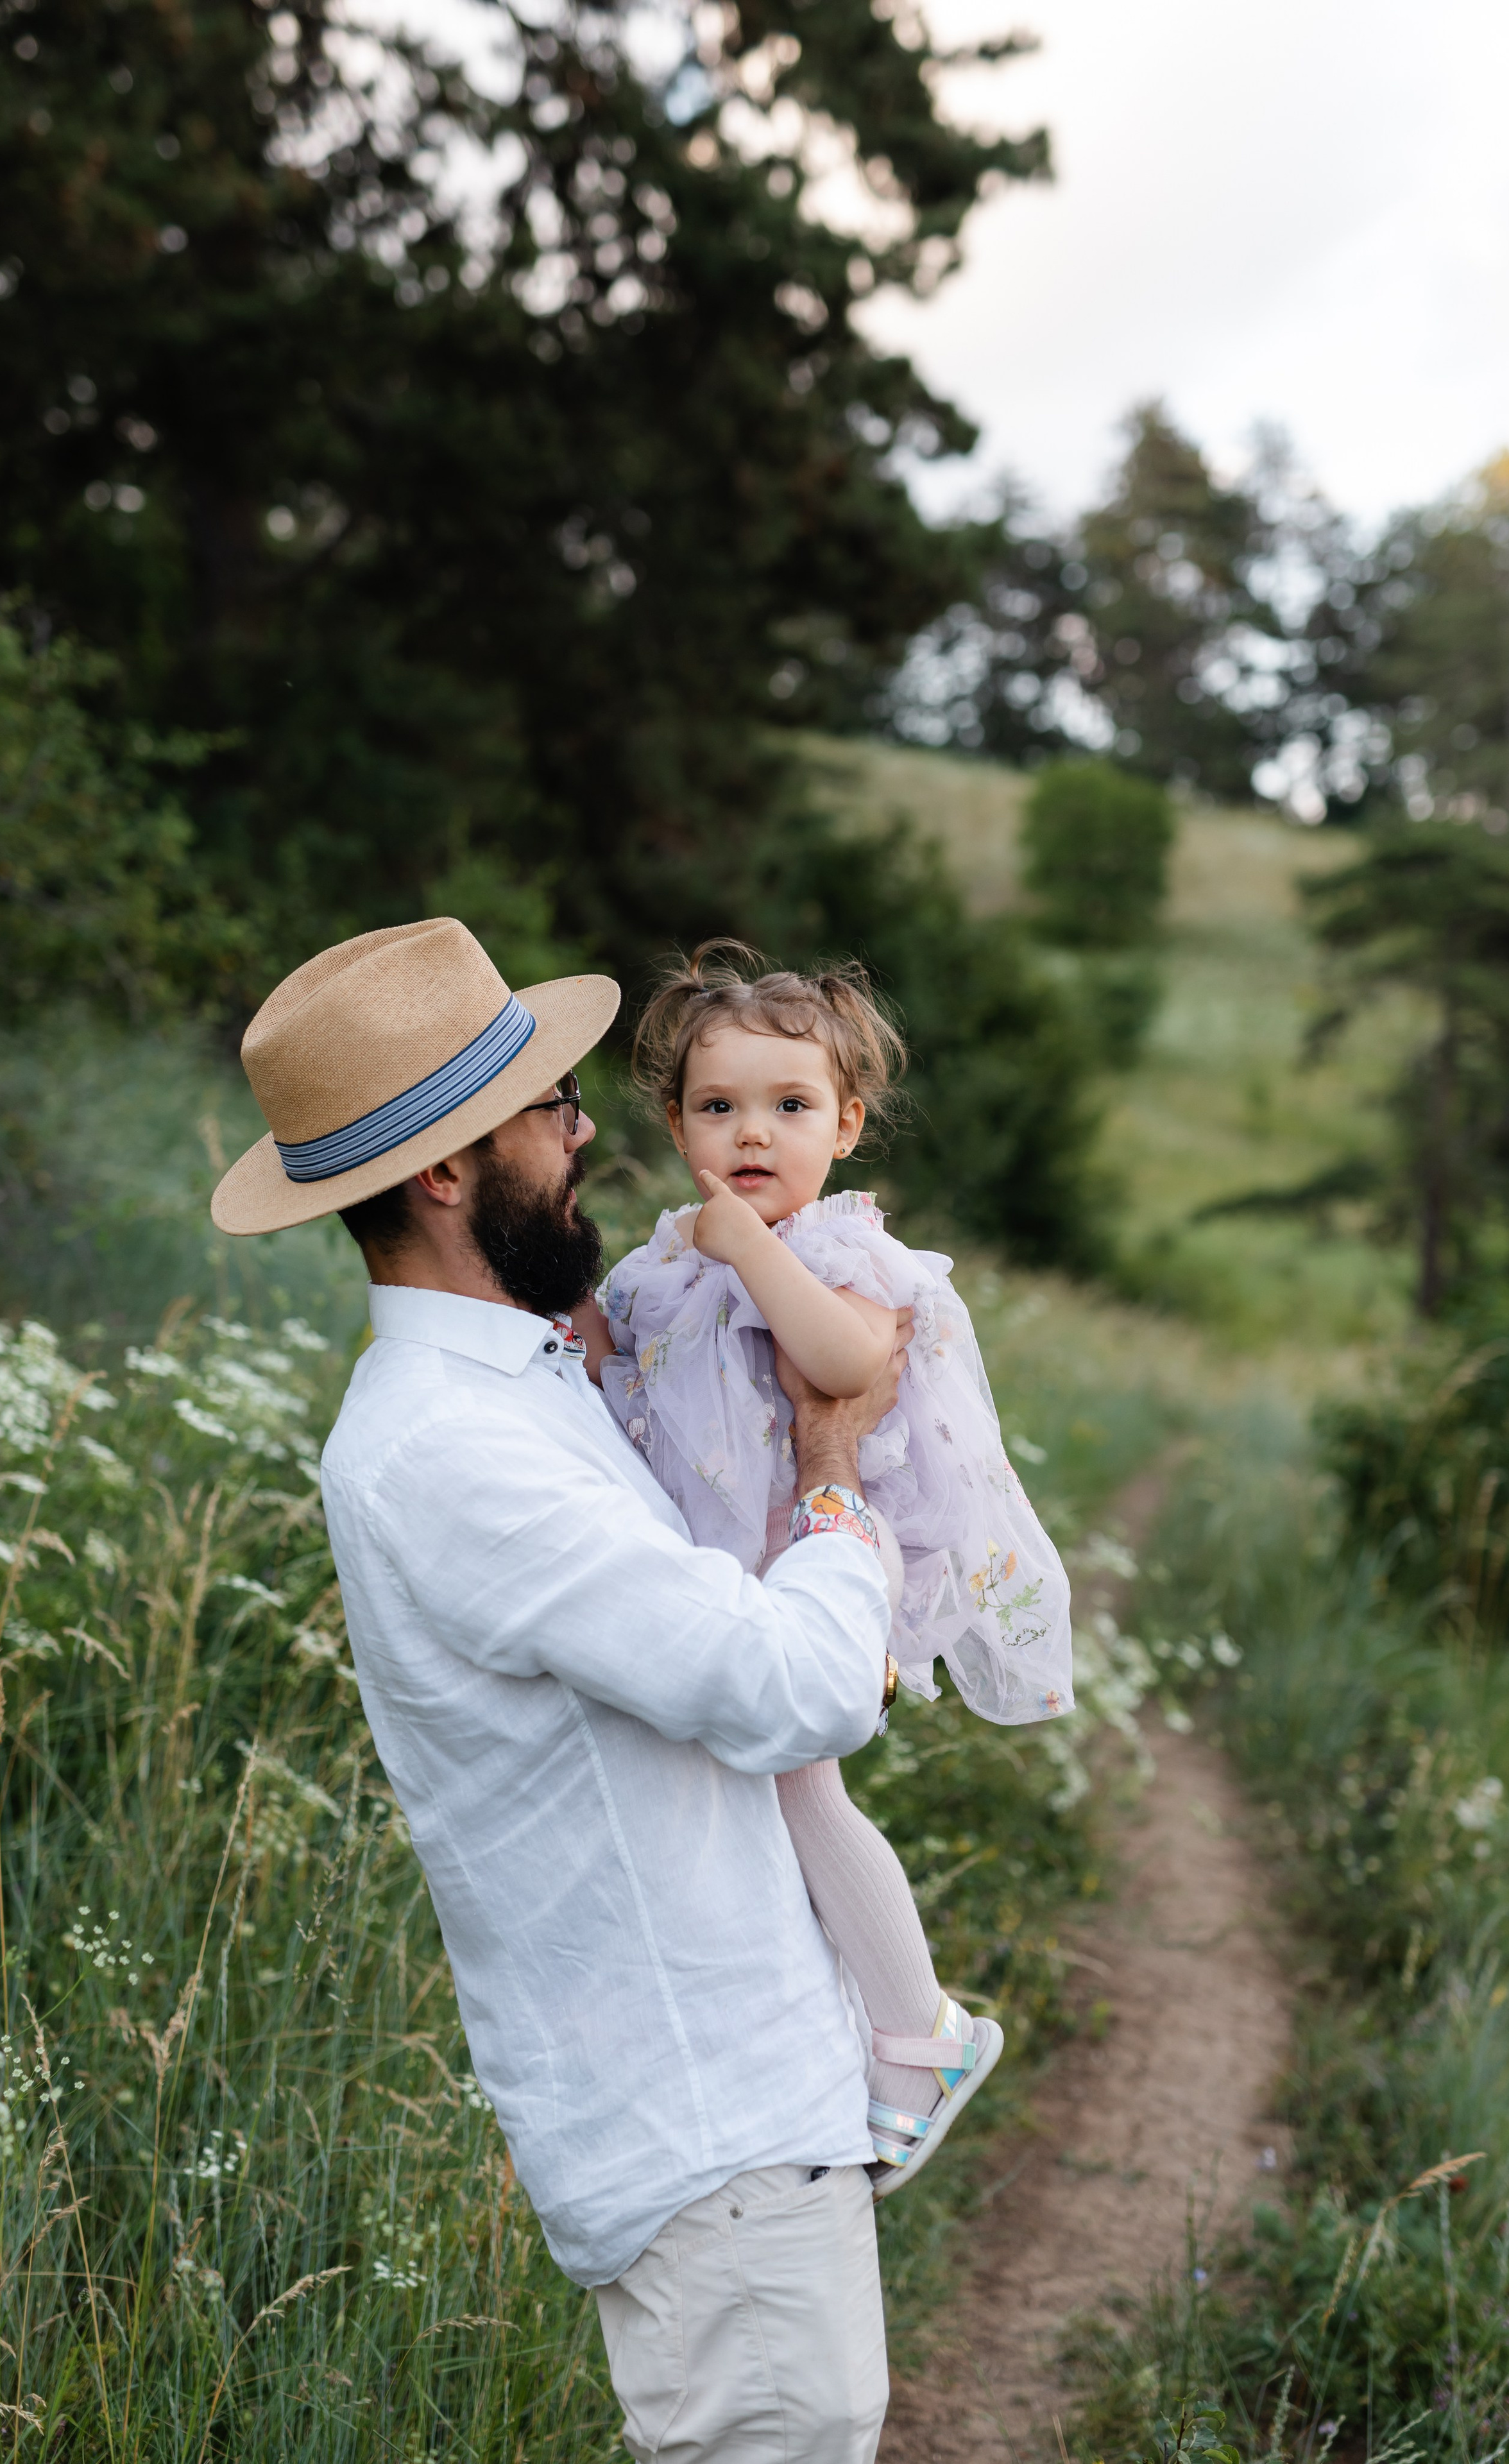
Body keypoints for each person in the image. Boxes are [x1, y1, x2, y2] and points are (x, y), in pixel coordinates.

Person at [210, 917, 908, 2464]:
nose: (584, 1135)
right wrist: (833, 1462)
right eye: (553, 1111)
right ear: (450, 1172)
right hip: (700, 2119)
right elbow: (793, 1685)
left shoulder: (523, 1381)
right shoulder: (450, 1449)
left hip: (740, 2098)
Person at [593, 941, 1073, 2190]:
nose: (753, 1132)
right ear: (674, 1118)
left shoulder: (838, 1249)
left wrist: (752, 1248)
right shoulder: (665, 1260)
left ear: (847, 1125)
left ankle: (924, 2034)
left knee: (806, 1793)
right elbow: (622, 1371)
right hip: (714, 1586)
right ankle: (831, 2028)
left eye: (790, 1106)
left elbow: (848, 1367)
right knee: (744, 1812)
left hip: (814, 1576)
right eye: (718, 1106)